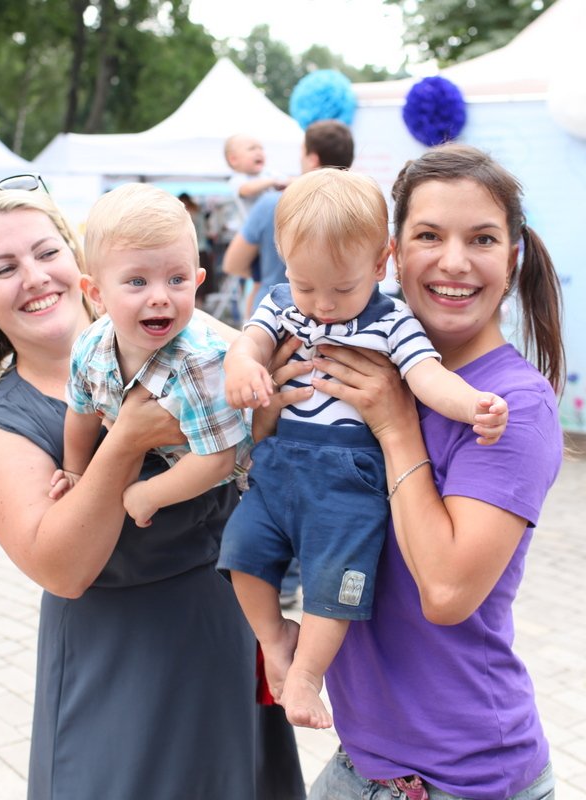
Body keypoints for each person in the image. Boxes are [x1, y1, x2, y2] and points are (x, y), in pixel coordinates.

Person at [0, 177, 304, 799]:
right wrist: (127, 438)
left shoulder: (185, 335)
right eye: (4, 268)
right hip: (122, 667)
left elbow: (257, 434)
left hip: (226, 632)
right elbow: (63, 569)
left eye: (46, 252)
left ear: (78, 263)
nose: (34, 277)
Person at [269, 143, 563, 799]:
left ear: (512, 260)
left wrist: (396, 426)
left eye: (482, 239)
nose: (454, 261)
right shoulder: (357, 360)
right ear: (392, 256)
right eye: (429, 235)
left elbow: (448, 592)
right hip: (366, 759)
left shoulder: (510, 406)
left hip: (465, 777)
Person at [219, 167, 508, 730]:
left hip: (347, 480)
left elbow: (426, 377)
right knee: (240, 551)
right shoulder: (281, 303)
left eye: (342, 289)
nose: (322, 306)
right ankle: (274, 639)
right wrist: (242, 366)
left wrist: (473, 404)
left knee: (334, 582)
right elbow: (248, 342)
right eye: (306, 286)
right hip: (278, 468)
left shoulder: (393, 321)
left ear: (380, 264)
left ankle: (306, 676)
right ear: (284, 262)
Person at [51, 184, 253, 530]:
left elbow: (219, 460)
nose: (160, 297)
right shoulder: (89, 347)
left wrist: (149, 495)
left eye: (177, 279)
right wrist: (74, 471)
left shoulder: (198, 361)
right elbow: (81, 412)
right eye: (137, 281)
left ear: (197, 282)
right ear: (97, 294)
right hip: (173, 462)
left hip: (240, 480)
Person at [223, 119, 357, 607]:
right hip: (326, 381)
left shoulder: (274, 203)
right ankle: (295, 585)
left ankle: (276, 585)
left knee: (270, 458)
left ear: (311, 157)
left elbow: (232, 264)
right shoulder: (360, 214)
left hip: (273, 355)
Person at [225, 133, 288, 223]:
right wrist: (273, 182)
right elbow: (247, 189)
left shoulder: (269, 173)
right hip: (254, 227)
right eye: (252, 148)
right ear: (233, 159)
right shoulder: (237, 179)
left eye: (261, 148)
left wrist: (286, 184)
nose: (259, 152)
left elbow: (291, 181)